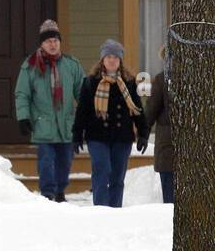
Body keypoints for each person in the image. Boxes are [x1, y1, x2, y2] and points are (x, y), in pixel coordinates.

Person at [14, 19, 85, 202]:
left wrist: (85, 119)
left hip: (66, 124)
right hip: (43, 123)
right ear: (42, 44)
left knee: (64, 161)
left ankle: (60, 191)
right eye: (48, 41)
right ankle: (48, 192)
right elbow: (22, 94)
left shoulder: (71, 65)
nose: (52, 45)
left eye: (55, 41)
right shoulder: (30, 66)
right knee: (46, 161)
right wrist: (23, 117)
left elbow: (83, 94)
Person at [73, 39, 148, 208]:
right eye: (108, 57)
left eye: (115, 57)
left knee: (117, 176)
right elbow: (82, 111)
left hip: (122, 137)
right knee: (102, 170)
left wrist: (143, 133)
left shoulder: (129, 82)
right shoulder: (91, 82)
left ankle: (115, 210)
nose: (112, 60)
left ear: (120, 60)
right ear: (102, 60)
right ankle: (100, 209)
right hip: (97, 136)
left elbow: (138, 109)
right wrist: (77, 135)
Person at [142, 45, 175, 203]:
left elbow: (151, 110)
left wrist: (144, 130)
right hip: (169, 144)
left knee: (170, 196)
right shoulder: (162, 80)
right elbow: (151, 110)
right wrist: (144, 130)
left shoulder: (162, 79)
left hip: (167, 145)